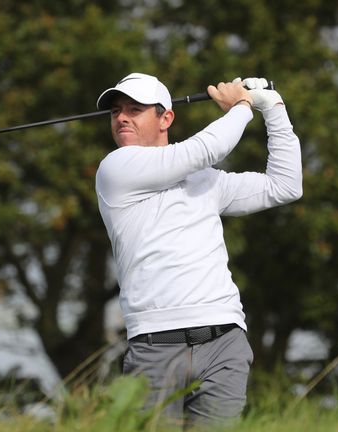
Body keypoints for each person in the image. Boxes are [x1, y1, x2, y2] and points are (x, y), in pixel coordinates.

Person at [94, 72, 302, 428]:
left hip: (223, 341)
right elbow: (205, 149)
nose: (122, 117)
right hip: (154, 348)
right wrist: (241, 105)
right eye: (116, 111)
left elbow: (285, 185)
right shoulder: (116, 169)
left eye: (135, 109)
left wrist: (274, 108)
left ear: (166, 118)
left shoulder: (206, 181)